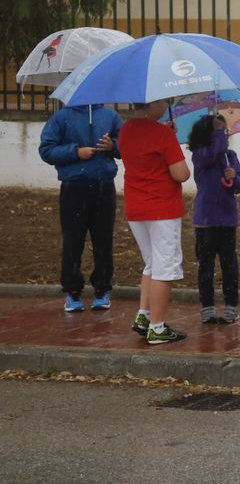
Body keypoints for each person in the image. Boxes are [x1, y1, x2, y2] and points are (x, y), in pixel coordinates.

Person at [37, 101, 121, 312]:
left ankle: (102, 290)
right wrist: (76, 152)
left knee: (103, 240)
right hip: (73, 188)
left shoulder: (110, 117)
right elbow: (47, 149)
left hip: (104, 187)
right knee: (73, 241)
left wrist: (114, 147)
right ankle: (72, 291)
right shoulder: (61, 117)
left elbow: (128, 145)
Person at [118, 100, 189, 345]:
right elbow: (181, 173)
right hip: (162, 207)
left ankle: (144, 315)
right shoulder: (163, 134)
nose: (167, 104)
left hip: (136, 206)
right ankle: (157, 327)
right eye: (165, 101)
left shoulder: (125, 130)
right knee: (164, 267)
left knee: (151, 263)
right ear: (155, 103)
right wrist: (170, 139)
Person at [188, 113, 240, 325]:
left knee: (229, 264)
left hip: (227, 220)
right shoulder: (201, 154)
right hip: (206, 220)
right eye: (221, 132)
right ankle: (207, 307)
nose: (225, 135)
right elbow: (214, 151)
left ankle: (231, 305)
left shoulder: (230, 157)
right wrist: (217, 133)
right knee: (206, 265)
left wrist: (235, 178)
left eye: (225, 131)